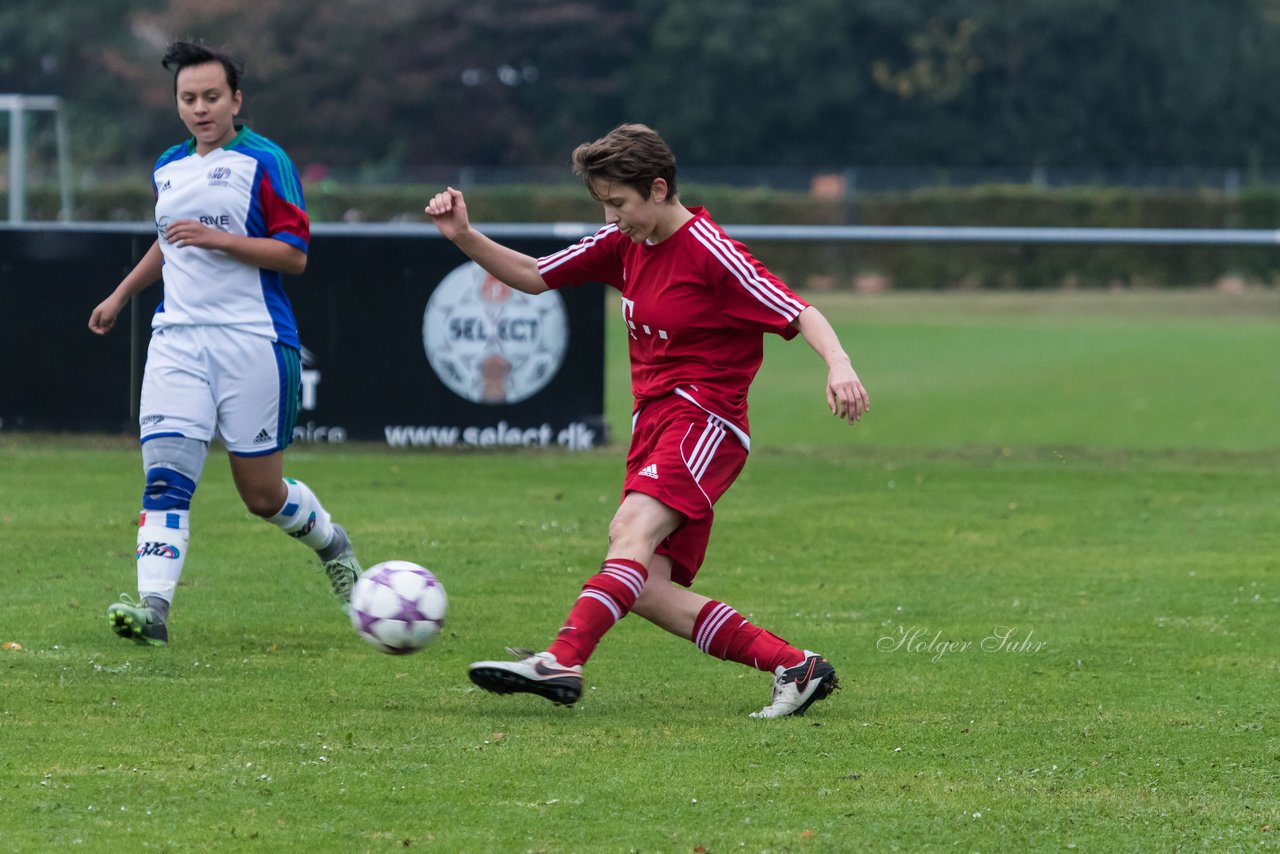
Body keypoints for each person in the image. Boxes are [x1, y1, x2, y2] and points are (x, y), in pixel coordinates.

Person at [426, 123, 870, 717]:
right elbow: (535, 275)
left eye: (620, 203)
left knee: (629, 534)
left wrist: (839, 365)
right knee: (646, 587)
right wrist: (463, 235)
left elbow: (798, 311)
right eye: (604, 204)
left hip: (705, 421)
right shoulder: (624, 243)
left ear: (658, 189)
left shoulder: (711, 252)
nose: (612, 218)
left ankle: (562, 658)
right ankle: (796, 666)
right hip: (655, 423)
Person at [88, 41, 362, 647]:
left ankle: (332, 545)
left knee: (261, 496)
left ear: (236, 99)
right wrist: (122, 294)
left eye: (212, 97)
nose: (200, 108)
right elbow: (171, 240)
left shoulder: (265, 161)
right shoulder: (168, 165)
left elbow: (293, 254)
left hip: (254, 341)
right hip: (177, 341)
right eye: (188, 98)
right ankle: (152, 609)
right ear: (177, 104)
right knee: (164, 479)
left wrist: (218, 239)